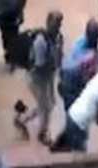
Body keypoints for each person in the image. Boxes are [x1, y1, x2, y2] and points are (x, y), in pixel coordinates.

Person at [14, 11, 64, 146]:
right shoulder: (40, 42)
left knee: (49, 103)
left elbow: (59, 56)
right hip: (37, 78)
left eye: (59, 24)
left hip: (48, 76)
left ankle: (22, 118)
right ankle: (43, 133)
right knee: (46, 107)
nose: (57, 27)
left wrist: (58, 62)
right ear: (48, 23)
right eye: (55, 24)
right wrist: (53, 62)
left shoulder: (58, 38)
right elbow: (39, 65)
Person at [57, 19, 98, 112]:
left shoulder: (79, 42)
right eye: (95, 35)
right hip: (76, 86)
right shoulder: (89, 55)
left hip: (71, 82)